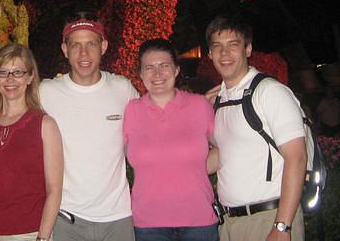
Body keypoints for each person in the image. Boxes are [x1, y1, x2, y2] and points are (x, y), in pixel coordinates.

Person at [205, 14, 307, 241]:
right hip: (230, 223)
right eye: (217, 47)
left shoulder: (269, 92)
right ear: (209, 54)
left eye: (233, 45)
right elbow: (220, 156)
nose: (224, 54)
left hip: (269, 219)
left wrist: (282, 226)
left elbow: (297, 158)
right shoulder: (219, 101)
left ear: (248, 49)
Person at [39, 12, 139, 241]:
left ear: (103, 46)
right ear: (65, 49)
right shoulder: (46, 92)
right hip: (66, 216)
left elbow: (153, 123)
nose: (83, 54)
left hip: (118, 217)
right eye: (76, 45)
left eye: (91, 44)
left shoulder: (122, 89)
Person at [123, 38, 218, 241]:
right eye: (149, 67)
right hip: (149, 224)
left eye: (164, 66)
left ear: (176, 70)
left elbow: (223, 148)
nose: (157, 74)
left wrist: (194, 168)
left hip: (198, 221)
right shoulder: (131, 111)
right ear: (140, 74)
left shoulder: (200, 106)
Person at [0, 43, 63, 240]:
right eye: (3, 72)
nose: (10, 79)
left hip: (28, 233)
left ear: (30, 77)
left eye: (18, 72)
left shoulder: (44, 124)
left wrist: (42, 237)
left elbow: (54, 189)